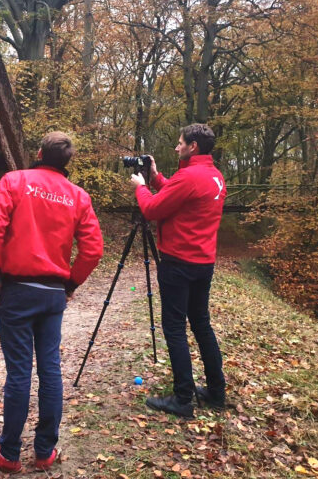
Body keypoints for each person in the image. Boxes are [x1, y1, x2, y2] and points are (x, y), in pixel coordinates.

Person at [0, 131, 104, 472]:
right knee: (50, 369)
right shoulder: (78, 196)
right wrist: (71, 283)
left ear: (38, 153)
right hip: (52, 294)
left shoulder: (14, 181)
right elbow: (93, 250)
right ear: (67, 161)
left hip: (17, 290)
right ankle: (45, 451)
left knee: (19, 371)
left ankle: (9, 454)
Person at [130, 123, 227, 418]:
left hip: (179, 262)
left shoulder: (189, 176)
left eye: (180, 143)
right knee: (201, 324)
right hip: (203, 262)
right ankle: (216, 391)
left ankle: (183, 398)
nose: (176, 147)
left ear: (192, 146)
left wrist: (141, 187)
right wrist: (156, 177)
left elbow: (152, 209)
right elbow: (179, 194)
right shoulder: (214, 175)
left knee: (174, 327)